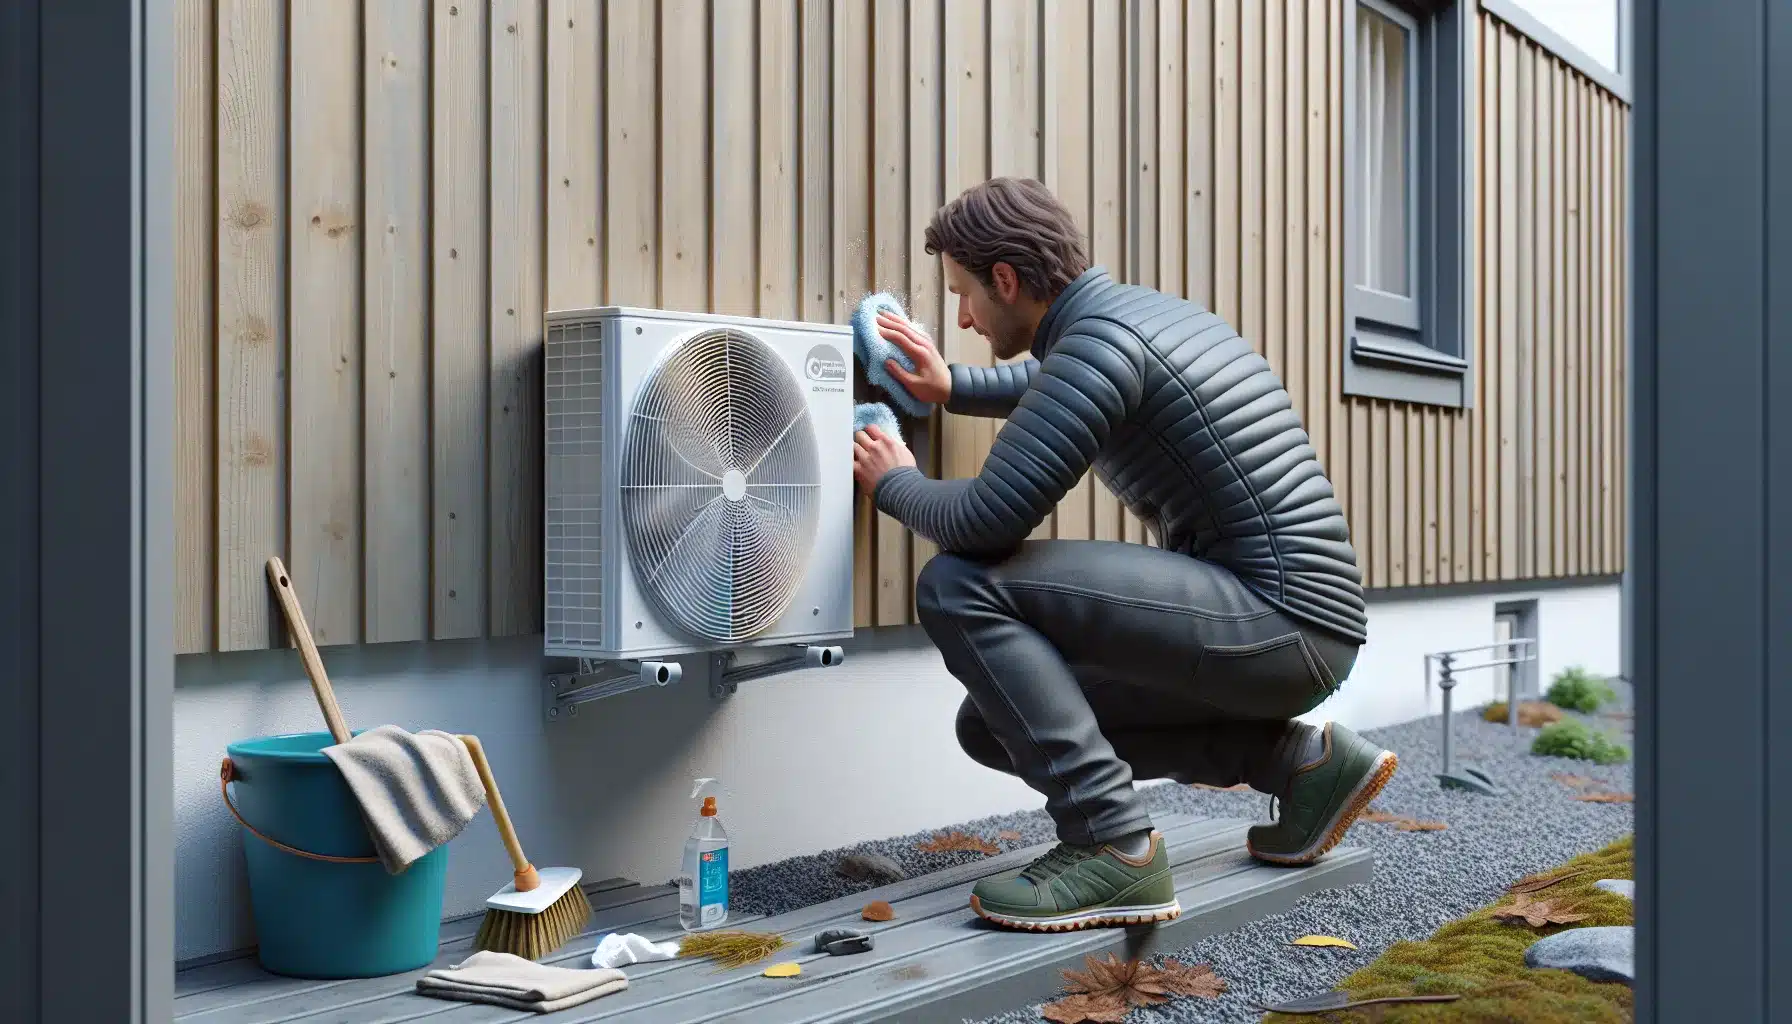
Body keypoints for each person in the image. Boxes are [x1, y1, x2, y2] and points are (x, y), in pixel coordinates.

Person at [850, 177, 1396, 933]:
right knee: (993, 723)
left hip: (1277, 623)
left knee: (959, 582)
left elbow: (984, 522)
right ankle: (1301, 766)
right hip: (1300, 628)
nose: (965, 318)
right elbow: (1057, 383)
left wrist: (896, 483)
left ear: (1006, 280)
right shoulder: (1131, 317)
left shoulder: (1103, 343)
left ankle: (1115, 848)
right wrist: (953, 387)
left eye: (964, 295)